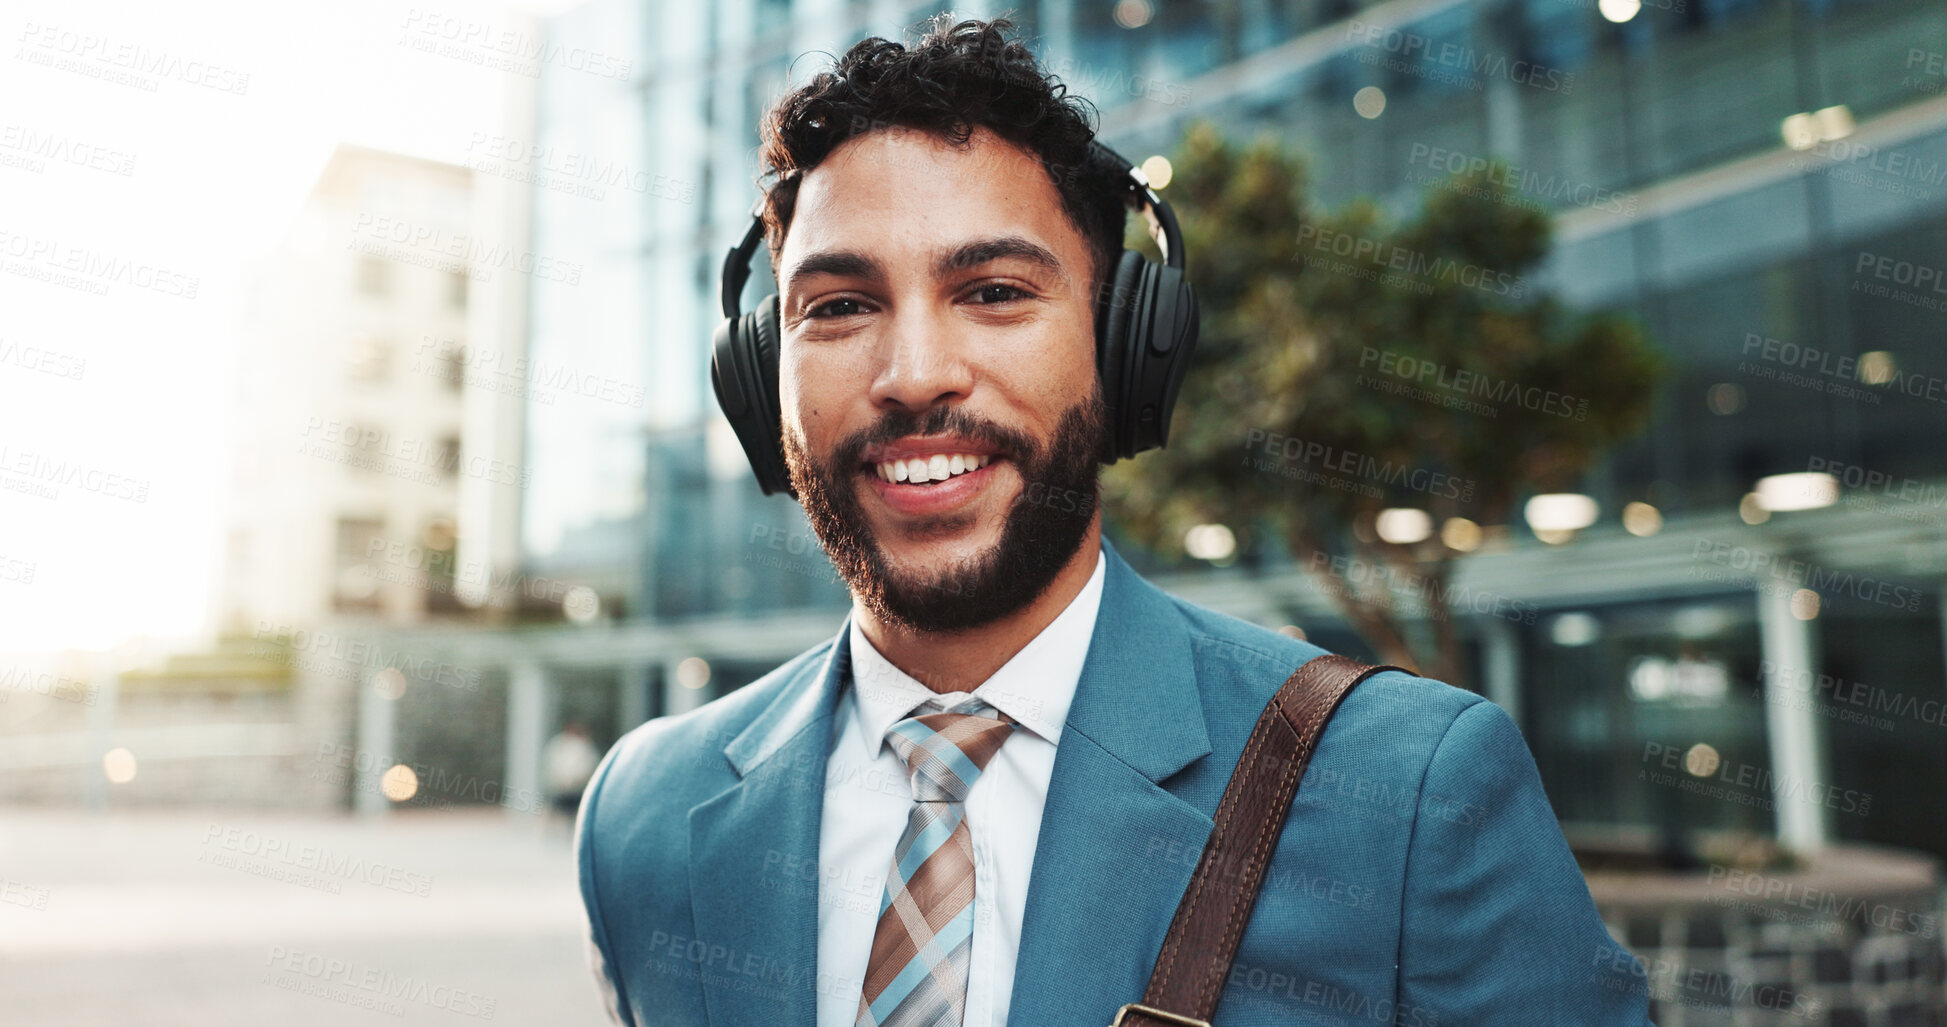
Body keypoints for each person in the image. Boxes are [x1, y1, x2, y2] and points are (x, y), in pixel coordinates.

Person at [575, 16, 1653, 1026]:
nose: (913, 375)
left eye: (994, 291)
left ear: (1127, 347)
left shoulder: (1417, 796)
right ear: (761, 375)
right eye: (840, 305)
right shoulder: (642, 813)